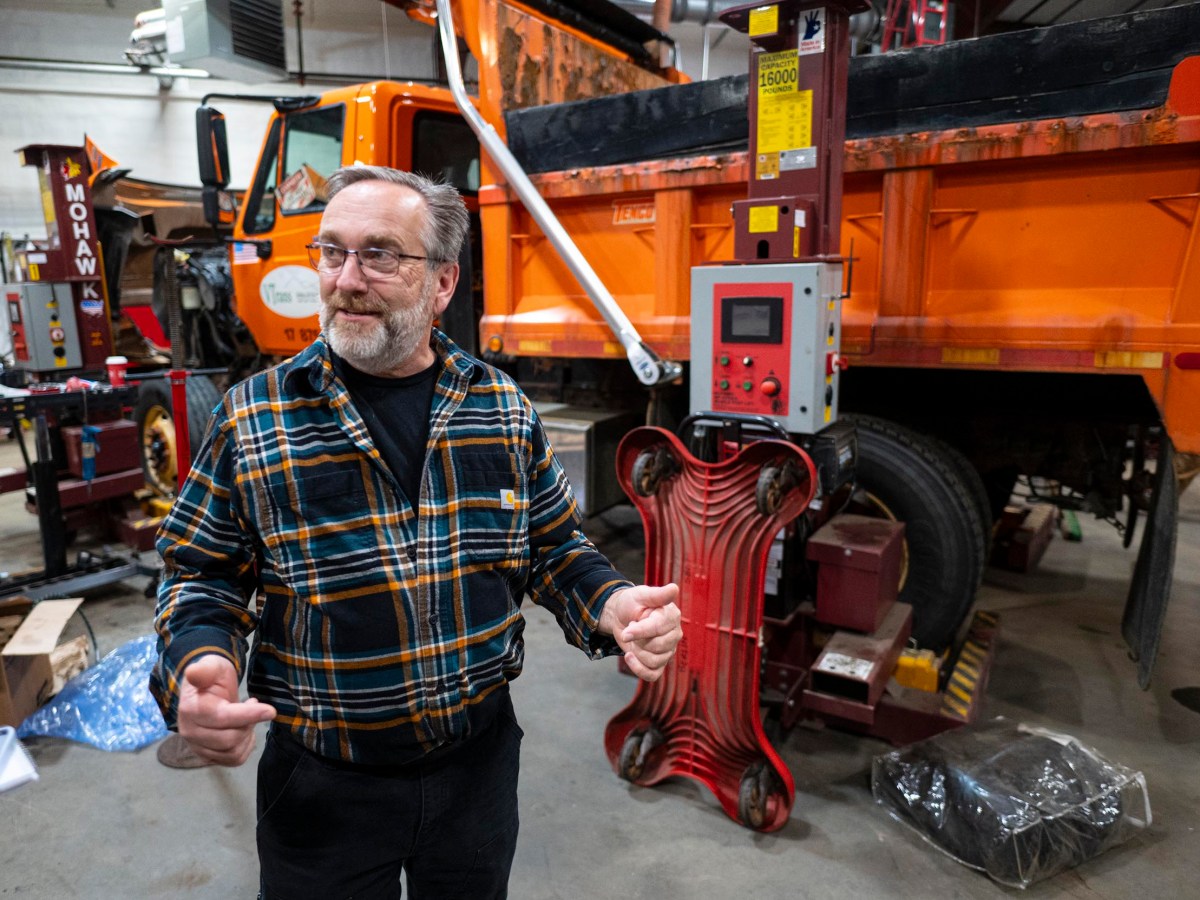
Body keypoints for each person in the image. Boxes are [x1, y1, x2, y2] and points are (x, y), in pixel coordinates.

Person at [150, 164, 682, 899]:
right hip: (324, 783)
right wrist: (199, 660)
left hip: (477, 771)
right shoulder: (255, 418)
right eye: (331, 252)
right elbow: (199, 573)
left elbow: (555, 547)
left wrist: (612, 604)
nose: (348, 278)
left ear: (441, 284)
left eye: (380, 254)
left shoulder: (499, 407)